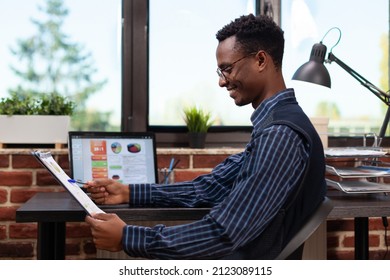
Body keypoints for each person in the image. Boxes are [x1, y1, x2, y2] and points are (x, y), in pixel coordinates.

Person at [85, 14, 327, 259]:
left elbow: (225, 233)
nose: (221, 81)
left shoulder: (280, 134)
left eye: (227, 69)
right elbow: (210, 188)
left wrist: (129, 238)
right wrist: (128, 193)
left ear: (261, 60)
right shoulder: (274, 126)